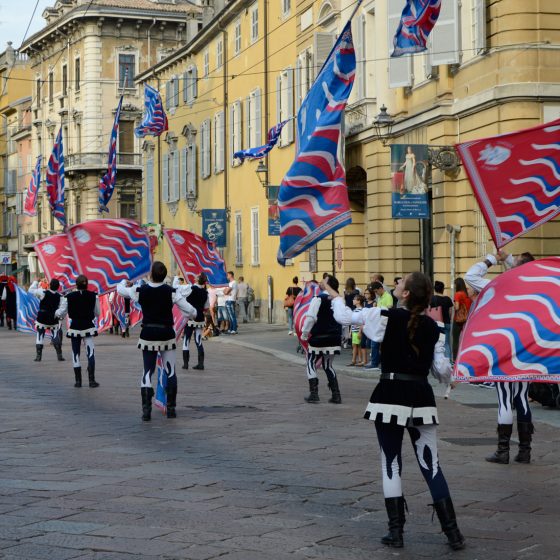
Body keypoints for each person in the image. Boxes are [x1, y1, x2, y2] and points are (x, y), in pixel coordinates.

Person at [325, 273, 465, 551]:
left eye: (401, 283)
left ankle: (396, 532)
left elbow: (344, 318)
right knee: (432, 465)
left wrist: (335, 296)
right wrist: (457, 373)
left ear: (405, 294)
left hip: (390, 395)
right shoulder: (434, 328)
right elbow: (443, 373)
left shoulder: (384, 316)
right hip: (421, 397)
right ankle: (453, 533)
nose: (397, 283)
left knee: (391, 463)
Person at [465, 250, 536, 464]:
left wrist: (493, 258)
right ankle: (525, 451)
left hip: (505, 345)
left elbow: (470, 276)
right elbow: (520, 270)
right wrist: (509, 260)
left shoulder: (502, 285)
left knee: (505, 399)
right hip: (528, 345)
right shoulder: (535, 286)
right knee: (522, 397)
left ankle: (503, 451)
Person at [118, 261, 196, 421]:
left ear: (151, 275)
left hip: (148, 334)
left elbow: (120, 291)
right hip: (166, 333)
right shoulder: (171, 292)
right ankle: (172, 408)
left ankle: (146, 411)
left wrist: (123, 281)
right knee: (170, 370)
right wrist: (193, 314)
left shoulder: (140, 290)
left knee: (147, 371)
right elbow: (189, 310)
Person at [300, 275, 343, 404]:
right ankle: (336, 395)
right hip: (334, 337)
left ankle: (314, 394)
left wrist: (304, 334)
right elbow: (344, 319)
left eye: (324, 281)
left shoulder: (318, 299)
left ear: (327, 285)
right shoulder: (339, 300)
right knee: (328, 365)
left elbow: (311, 317)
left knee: (310, 361)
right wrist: (344, 335)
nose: (320, 282)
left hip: (319, 337)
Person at [55, 274, 100, 388]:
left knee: (76, 353)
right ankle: (91, 380)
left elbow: (62, 312)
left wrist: (55, 313)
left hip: (75, 327)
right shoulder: (93, 296)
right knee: (90, 353)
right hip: (88, 326)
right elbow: (97, 312)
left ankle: (78, 381)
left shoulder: (69, 296)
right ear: (87, 284)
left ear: (76, 284)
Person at [29, 278, 65, 362]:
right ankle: (59, 355)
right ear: (58, 287)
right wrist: (58, 316)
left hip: (42, 317)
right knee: (55, 335)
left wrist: (35, 282)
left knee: (40, 335)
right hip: (53, 317)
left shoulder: (43, 292)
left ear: (49, 285)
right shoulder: (60, 296)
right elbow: (61, 309)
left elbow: (31, 290)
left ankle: (38, 356)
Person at [180, 273, 209, 371]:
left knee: (186, 340)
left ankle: (185, 364)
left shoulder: (191, 289)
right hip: (200, 317)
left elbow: (182, 298)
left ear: (197, 280)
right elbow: (206, 308)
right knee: (198, 340)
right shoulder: (205, 292)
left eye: (196, 276)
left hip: (190, 316)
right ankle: (201, 364)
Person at [365, 281, 393, 370]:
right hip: (379, 323)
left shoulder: (388, 296)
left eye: (376, 291)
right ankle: (376, 362)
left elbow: (389, 308)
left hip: (384, 324)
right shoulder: (380, 297)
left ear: (381, 289)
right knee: (375, 344)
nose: (376, 294)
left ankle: (375, 363)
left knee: (376, 344)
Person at [431, 281, 453, 359]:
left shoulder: (432, 299)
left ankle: (436, 361)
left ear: (435, 289)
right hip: (446, 323)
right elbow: (450, 312)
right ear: (443, 289)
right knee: (446, 343)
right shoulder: (448, 299)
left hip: (435, 323)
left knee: (435, 342)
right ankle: (448, 361)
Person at [451, 277, 471, 362]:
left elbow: (457, 307)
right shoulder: (467, 294)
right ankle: (466, 357)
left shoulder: (458, 294)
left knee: (455, 339)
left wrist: (454, 304)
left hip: (458, 320)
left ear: (457, 285)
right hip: (467, 319)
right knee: (465, 339)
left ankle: (455, 359)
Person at [348, 294, 365, 366]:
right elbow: (352, 321)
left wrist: (360, 332)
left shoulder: (361, 310)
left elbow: (362, 321)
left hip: (358, 331)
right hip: (354, 330)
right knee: (356, 345)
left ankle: (354, 360)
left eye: (355, 299)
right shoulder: (354, 310)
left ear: (359, 301)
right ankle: (358, 360)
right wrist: (350, 331)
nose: (353, 300)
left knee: (356, 345)